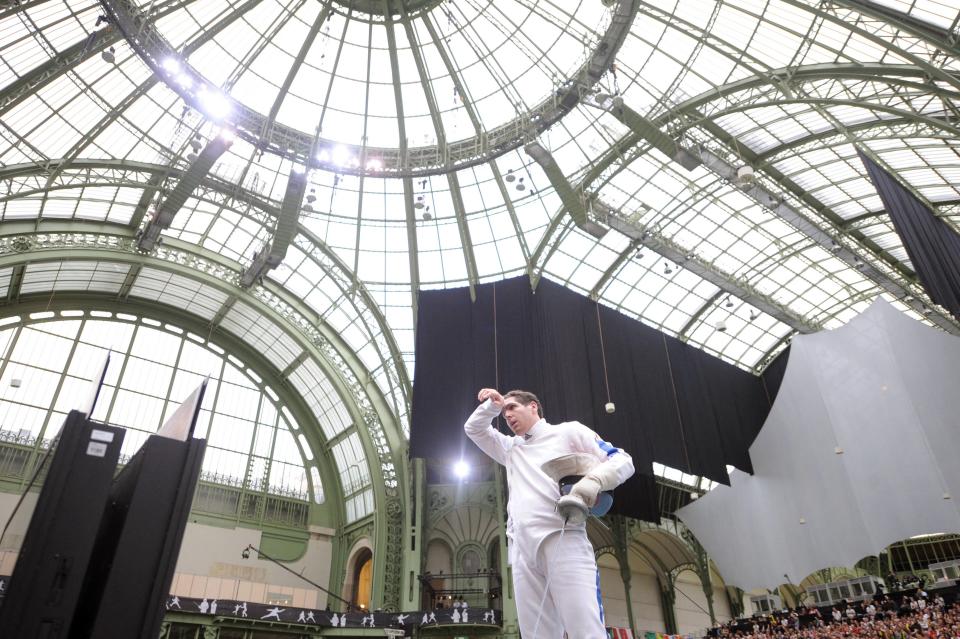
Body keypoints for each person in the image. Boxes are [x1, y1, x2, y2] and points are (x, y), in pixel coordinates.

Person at [464, 388, 634, 639]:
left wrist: (595, 480)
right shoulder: (511, 448)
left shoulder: (567, 431)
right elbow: (474, 429)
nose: (507, 415)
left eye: (512, 407)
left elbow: (622, 459)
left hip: (563, 538)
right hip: (522, 549)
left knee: (585, 631)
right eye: (504, 411)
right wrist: (492, 406)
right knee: (537, 636)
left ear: (533, 406)